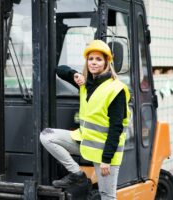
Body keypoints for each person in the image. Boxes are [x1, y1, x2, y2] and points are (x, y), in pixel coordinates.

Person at [40, 40, 130, 200]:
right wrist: (74, 74)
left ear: (107, 62)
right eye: (91, 59)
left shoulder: (116, 89)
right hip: (86, 141)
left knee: (107, 195)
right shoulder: (85, 83)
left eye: (98, 59)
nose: (94, 63)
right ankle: (77, 174)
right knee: (47, 136)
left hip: (106, 151)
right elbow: (59, 70)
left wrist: (106, 160)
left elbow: (117, 127)